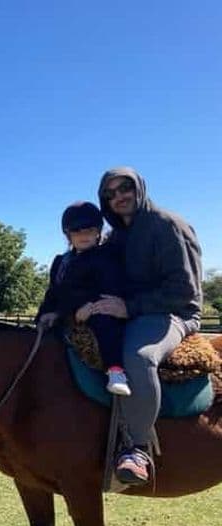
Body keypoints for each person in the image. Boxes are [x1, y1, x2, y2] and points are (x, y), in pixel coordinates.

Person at [91, 167, 203, 486]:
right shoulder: (116, 237)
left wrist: (130, 307)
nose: (118, 197)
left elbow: (185, 291)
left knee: (138, 356)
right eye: (109, 194)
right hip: (132, 311)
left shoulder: (168, 226)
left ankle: (137, 449)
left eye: (124, 188)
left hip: (173, 313)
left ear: (139, 187)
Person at [36, 201, 131, 396]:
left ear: (98, 231)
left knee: (106, 323)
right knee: (40, 333)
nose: (84, 235)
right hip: (69, 313)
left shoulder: (106, 257)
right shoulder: (60, 262)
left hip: (96, 307)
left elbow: (108, 287)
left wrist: (84, 308)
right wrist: (48, 312)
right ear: (68, 235)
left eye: (89, 229)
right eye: (77, 231)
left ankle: (115, 371)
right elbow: (53, 292)